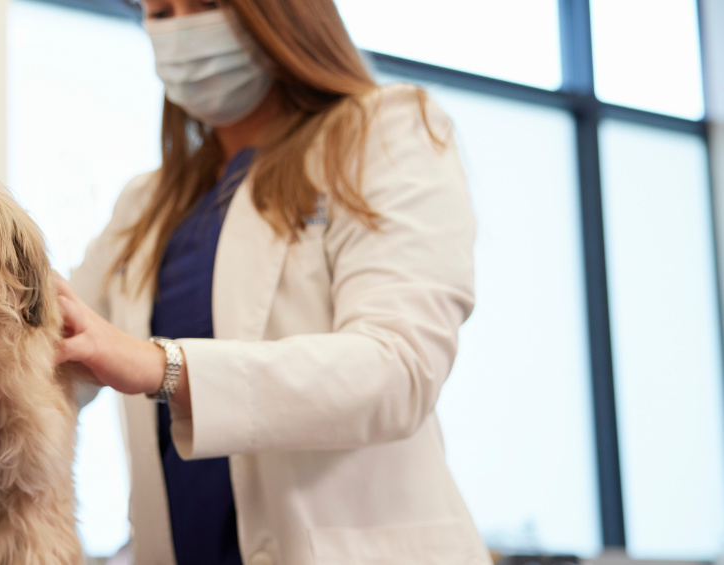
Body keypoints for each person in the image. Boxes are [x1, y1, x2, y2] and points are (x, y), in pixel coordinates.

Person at [56, 0, 489, 563]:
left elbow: (399, 366)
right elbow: (52, 349)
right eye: (160, 11)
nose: (182, 28)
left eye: (207, 4)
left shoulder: (383, 130)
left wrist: (160, 366)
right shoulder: (145, 204)